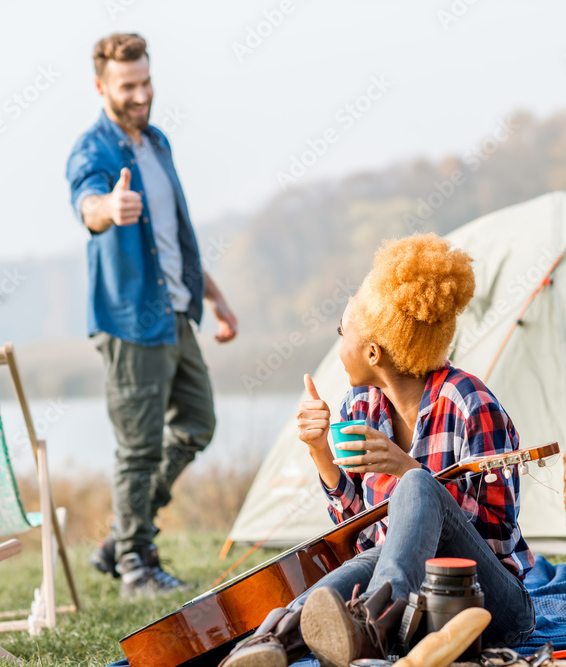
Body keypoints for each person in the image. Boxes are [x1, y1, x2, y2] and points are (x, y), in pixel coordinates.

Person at [221, 234, 535, 667]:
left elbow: (497, 538)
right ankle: (273, 642)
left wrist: (410, 472)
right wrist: (320, 454)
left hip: (488, 607)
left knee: (419, 485)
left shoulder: (470, 403)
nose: (337, 344)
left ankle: (369, 628)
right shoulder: (361, 408)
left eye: (341, 332)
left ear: (372, 352)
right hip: (412, 601)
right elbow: (361, 538)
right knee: (359, 566)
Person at [65, 33, 238, 597]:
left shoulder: (157, 143)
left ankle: (123, 537)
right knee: (137, 448)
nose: (140, 94)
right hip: (129, 320)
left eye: (146, 81)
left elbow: (174, 236)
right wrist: (107, 210)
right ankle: (136, 567)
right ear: (101, 87)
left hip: (176, 312)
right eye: (127, 86)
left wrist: (212, 294)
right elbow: (87, 205)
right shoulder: (93, 150)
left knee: (198, 423)